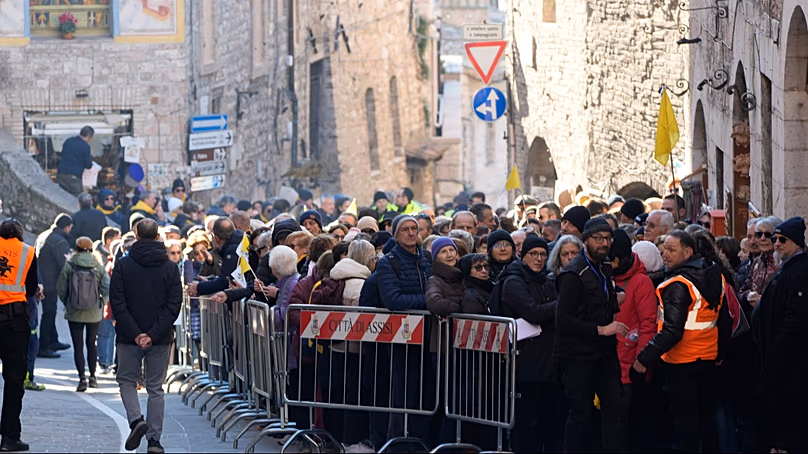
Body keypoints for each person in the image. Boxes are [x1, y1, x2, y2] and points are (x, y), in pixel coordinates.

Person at [635, 230, 730, 453]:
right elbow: (724, 320)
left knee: (687, 424)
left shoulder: (678, 284)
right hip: (707, 359)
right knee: (707, 421)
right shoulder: (715, 274)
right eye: (664, 249)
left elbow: (671, 331)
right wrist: (720, 353)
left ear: (687, 252)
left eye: (671, 250)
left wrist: (644, 358)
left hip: (681, 362)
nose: (664, 254)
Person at [110, 219, 182, 454]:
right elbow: (174, 305)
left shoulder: (123, 265)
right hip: (159, 337)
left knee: (127, 381)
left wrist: (137, 333)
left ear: (136, 235)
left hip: (129, 335)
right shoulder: (171, 267)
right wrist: (152, 334)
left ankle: (135, 420)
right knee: (155, 388)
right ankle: (154, 441)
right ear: (158, 237)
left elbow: (118, 303)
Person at [555, 217, 627, 452]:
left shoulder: (605, 266)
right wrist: (600, 329)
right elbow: (563, 319)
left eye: (608, 238)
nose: (604, 243)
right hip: (577, 354)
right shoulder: (573, 273)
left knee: (614, 408)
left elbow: (604, 301)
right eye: (599, 239)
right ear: (586, 241)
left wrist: (614, 305)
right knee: (581, 413)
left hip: (604, 352)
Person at [492, 235, 564, 452]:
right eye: (534, 254)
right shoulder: (513, 282)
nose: (539, 258)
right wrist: (563, 304)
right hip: (524, 363)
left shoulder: (545, 280)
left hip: (546, 360)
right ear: (523, 256)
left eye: (543, 254)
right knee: (526, 421)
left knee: (547, 419)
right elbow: (533, 312)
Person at [376, 215, 433, 440]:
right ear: (396, 235)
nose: (411, 233)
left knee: (427, 392)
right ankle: (399, 441)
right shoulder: (388, 262)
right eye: (405, 230)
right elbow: (393, 300)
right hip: (403, 337)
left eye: (414, 229)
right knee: (403, 393)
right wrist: (429, 302)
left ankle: (421, 439)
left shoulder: (426, 258)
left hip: (429, 334)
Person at [755, 217, 808, 453]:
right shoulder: (788, 268)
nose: (775, 243)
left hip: (790, 364)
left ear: (795, 242)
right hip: (778, 361)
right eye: (774, 238)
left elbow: (795, 320)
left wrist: (775, 353)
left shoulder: (800, 272)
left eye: (781, 239)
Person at [609, 229, 658, 450]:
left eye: (614, 258)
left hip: (629, 364)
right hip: (607, 362)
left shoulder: (641, 282)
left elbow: (649, 324)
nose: (610, 263)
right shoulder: (604, 277)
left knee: (624, 425)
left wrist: (641, 360)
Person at [0, 219, 37, 452]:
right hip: (14, 322)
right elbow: (31, 288)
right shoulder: (28, 252)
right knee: (14, 382)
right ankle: (9, 437)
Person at [56, 236, 109, 392]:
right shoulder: (98, 265)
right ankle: (93, 376)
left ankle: (82, 379)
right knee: (91, 343)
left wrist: (68, 302)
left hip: (74, 311)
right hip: (94, 311)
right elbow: (106, 286)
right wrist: (101, 302)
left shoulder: (70, 264)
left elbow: (61, 287)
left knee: (78, 346)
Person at [35, 213, 74, 358]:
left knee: (48, 312)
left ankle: (53, 340)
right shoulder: (60, 241)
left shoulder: (43, 235)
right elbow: (65, 265)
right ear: (67, 227)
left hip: (41, 280)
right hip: (51, 283)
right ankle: (44, 346)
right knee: (49, 313)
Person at [185, 217, 244, 298]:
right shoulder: (240, 240)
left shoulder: (232, 251)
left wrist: (198, 287)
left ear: (216, 238)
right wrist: (209, 281)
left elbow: (225, 281)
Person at [55, 126, 94, 196]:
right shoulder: (85, 146)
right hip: (74, 178)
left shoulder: (68, 141)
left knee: (61, 198)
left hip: (61, 175)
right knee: (76, 200)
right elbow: (88, 165)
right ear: (88, 137)